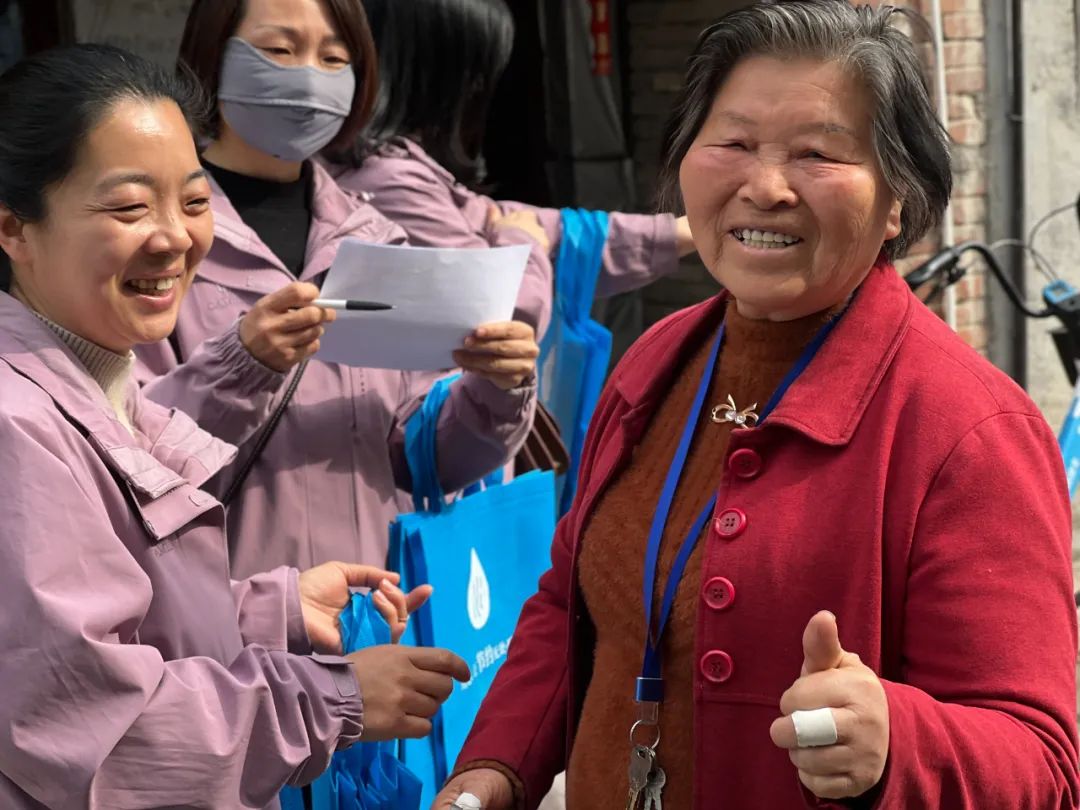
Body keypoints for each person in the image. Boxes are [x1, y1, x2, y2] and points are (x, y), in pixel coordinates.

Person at [432, 2, 1080, 808]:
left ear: (898, 202)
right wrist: (495, 768)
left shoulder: (968, 430)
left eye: (817, 154)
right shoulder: (656, 363)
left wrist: (896, 743)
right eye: (734, 144)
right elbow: (573, 600)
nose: (764, 187)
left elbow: (1042, 762)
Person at [0, 43, 471, 809]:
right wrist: (334, 699)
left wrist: (269, 610)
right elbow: (99, 732)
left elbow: (114, 626)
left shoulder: (100, 384)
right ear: (14, 228)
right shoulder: (17, 427)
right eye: (128, 207)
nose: (173, 238)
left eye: (193, 203)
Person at [135, 0, 540, 579]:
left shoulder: (375, 237)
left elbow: (425, 460)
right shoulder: (158, 244)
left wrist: (497, 389)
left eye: (333, 58)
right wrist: (240, 366)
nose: (308, 78)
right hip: (232, 621)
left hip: (379, 609)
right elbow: (126, 457)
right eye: (278, 50)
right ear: (211, 56)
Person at [328, 0, 698, 341]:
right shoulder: (387, 181)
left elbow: (538, 226)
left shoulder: (396, 168)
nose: (481, 91)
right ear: (440, 79)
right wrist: (523, 242)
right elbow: (498, 316)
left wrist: (684, 230)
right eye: (477, 74)